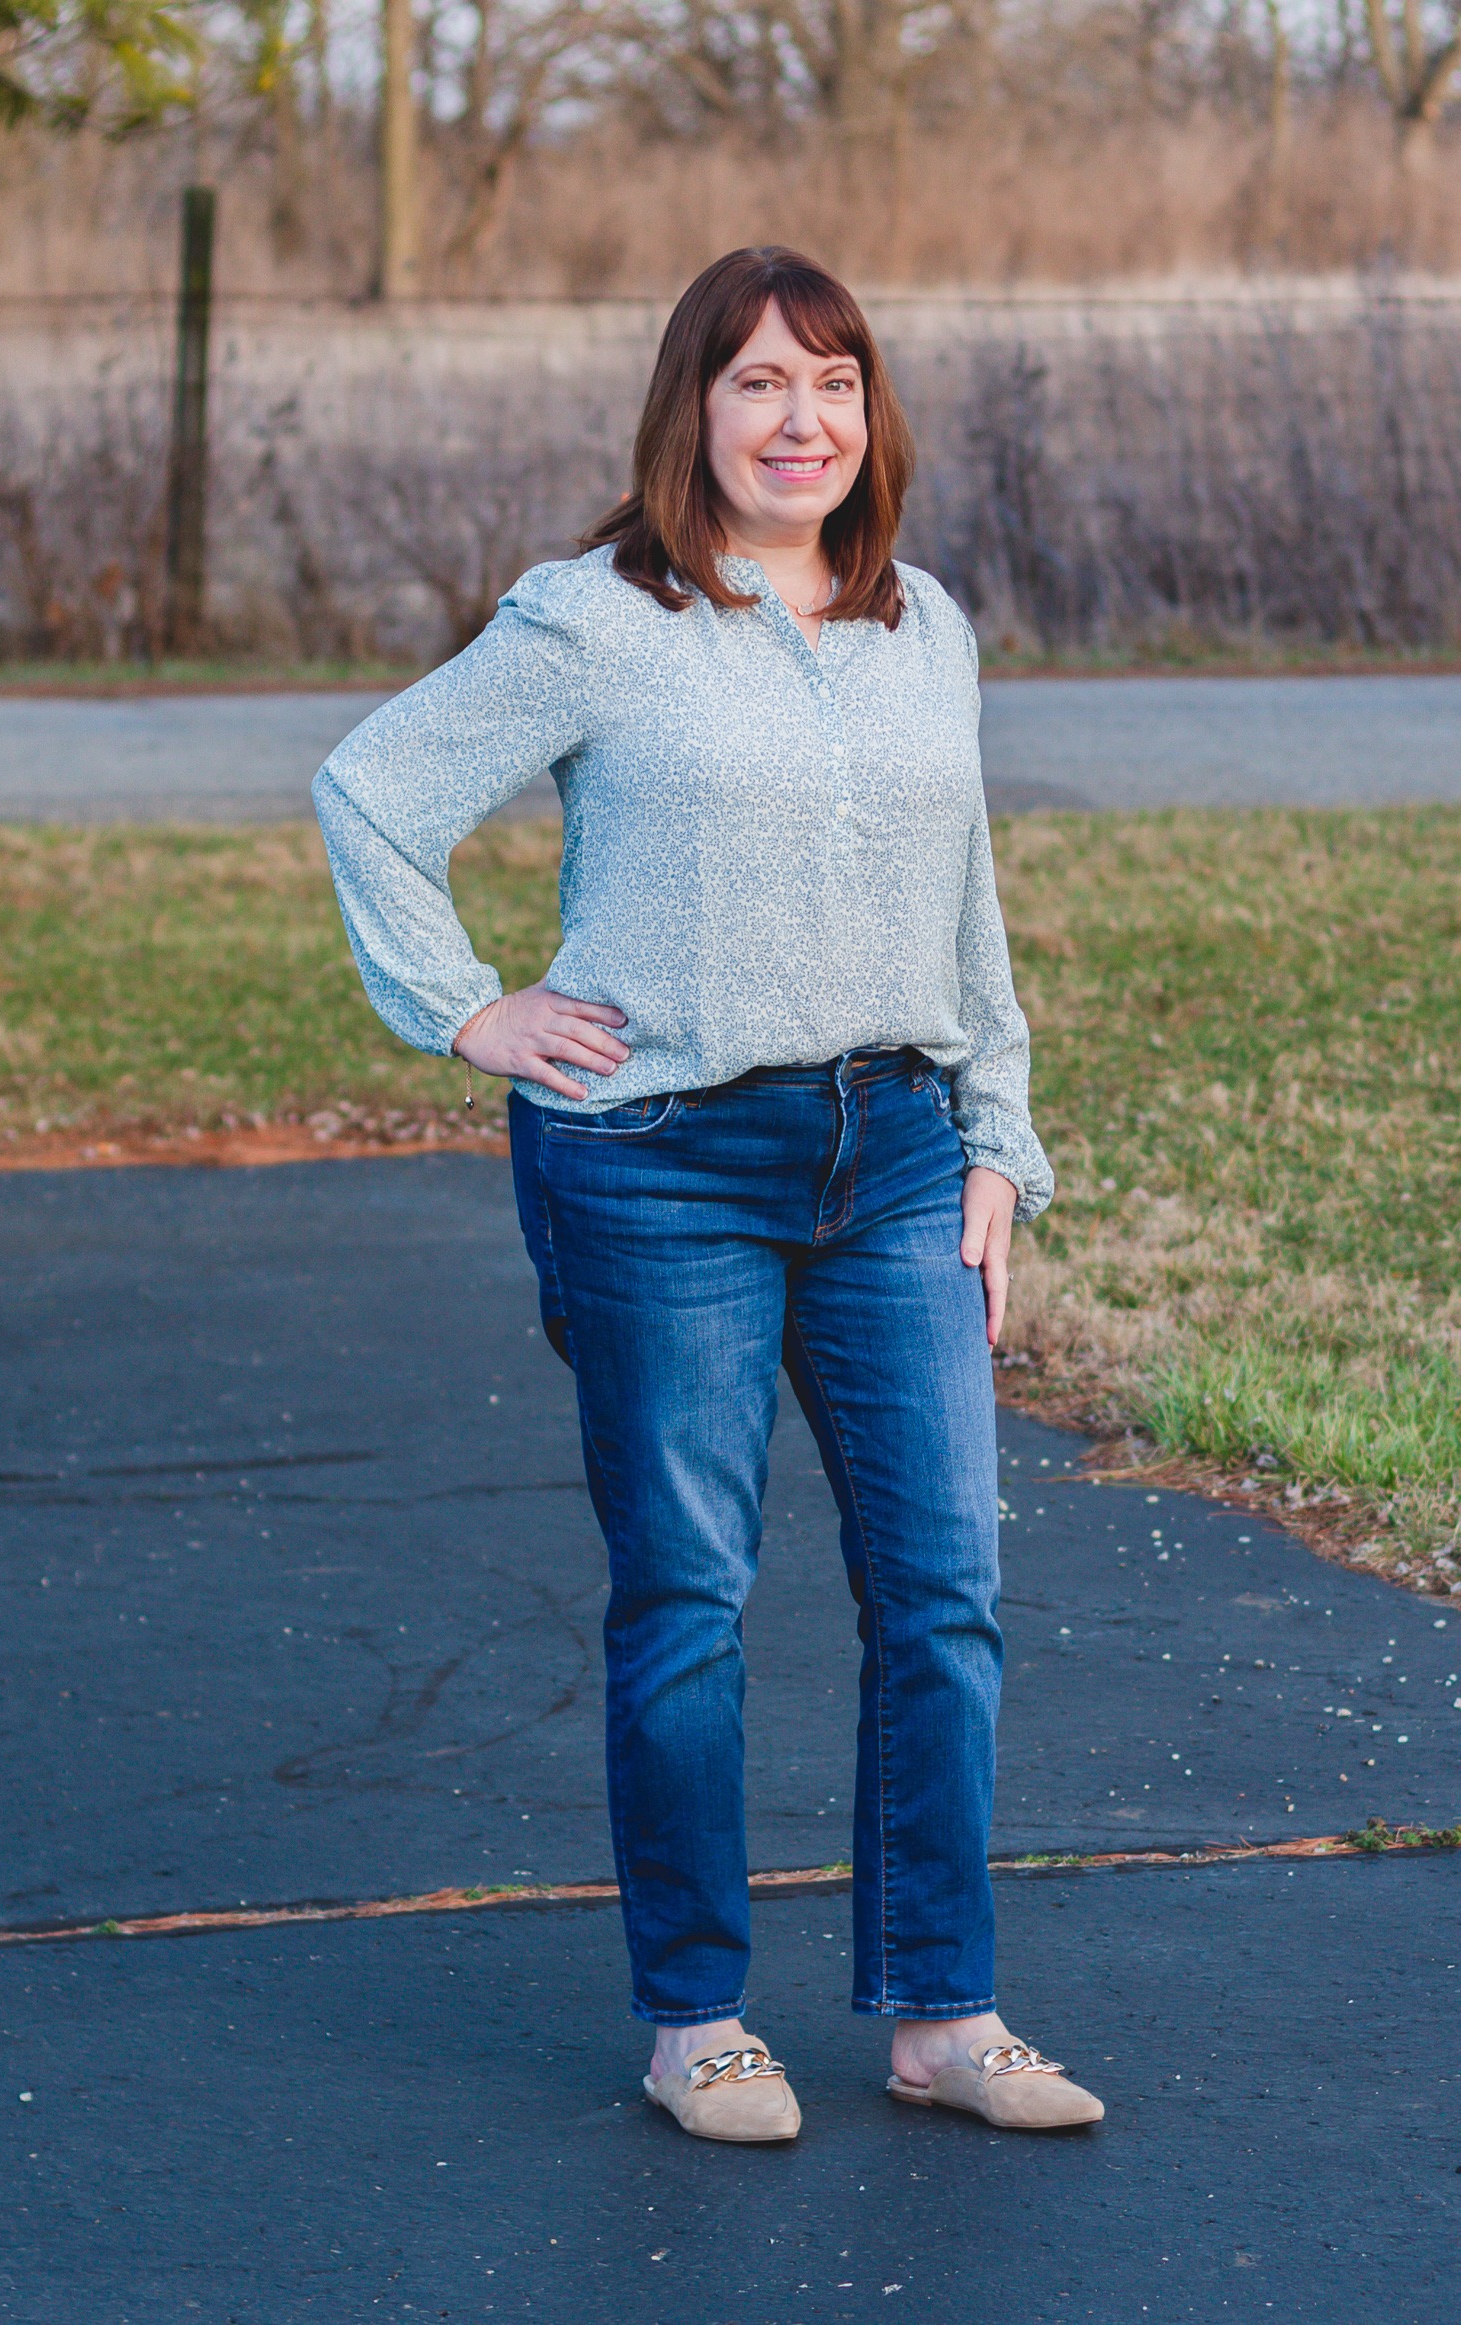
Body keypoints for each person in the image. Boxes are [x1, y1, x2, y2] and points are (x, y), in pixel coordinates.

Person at [313, 245, 1103, 2143]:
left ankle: (940, 2012)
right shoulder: (597, 621)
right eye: (755, 384)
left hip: (899, 1157)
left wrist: (999, 1135)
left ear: (869, 416)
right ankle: (695, 2017)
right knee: (686, 1594)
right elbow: (372, 788)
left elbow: (965, 904)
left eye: (831, 384)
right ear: (691, 412)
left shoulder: (928, 624)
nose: (797, 419)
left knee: (945, 1590)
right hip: (661, 1167)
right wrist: (466, 1010)